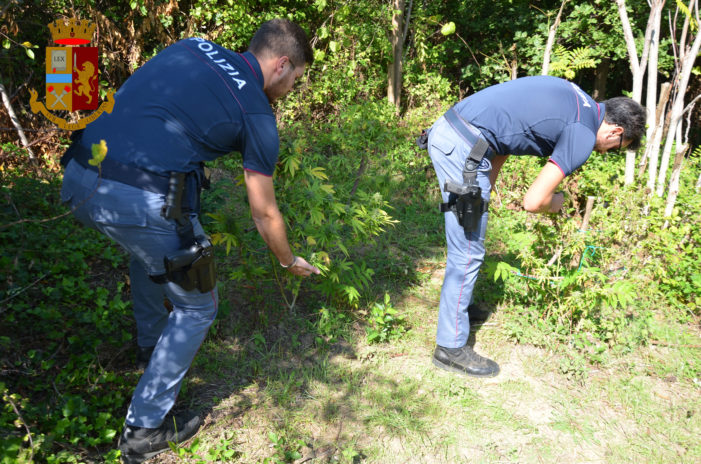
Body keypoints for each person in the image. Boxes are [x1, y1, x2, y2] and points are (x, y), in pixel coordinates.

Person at [59, 19, 320, 463]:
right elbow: (264, 211)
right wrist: (287, 259)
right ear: (282, 65)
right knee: (198, 305)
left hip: (79, 178)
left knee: (151, 254)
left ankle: (150, 346)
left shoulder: (192, 46)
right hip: (138, 198)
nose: (294, 88)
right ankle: (144, 430)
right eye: (297, 79)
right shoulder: (256, 111)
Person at [421, 75, 645, 378]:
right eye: (618, 146)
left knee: (470, 236)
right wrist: (557, 203)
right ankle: (449, 348)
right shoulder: (582, 134)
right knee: (468, 249)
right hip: (462, 147)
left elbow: (507, 131)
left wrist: (484, 189)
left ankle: (460, 309)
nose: (607, 152)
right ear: (616, 131)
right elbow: (533, 201)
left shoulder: (577, 99)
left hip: (463, 137)